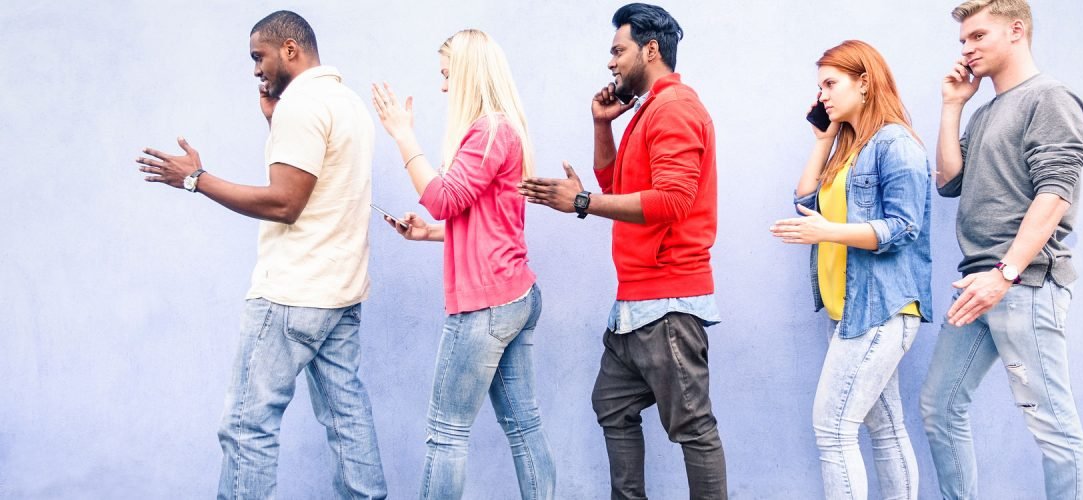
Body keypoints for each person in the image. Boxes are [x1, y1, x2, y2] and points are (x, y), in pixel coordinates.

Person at [136, 10, 387, 499]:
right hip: (341, 294)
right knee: (347, 419)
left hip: (292, 294)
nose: (255, 69)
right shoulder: (348, 104)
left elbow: (285, 203)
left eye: (260, 56)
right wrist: (276, 123)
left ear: (290, 49)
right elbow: (321, 182)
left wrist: (195, 179)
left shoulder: (303, 106)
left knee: (247, 426)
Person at [518, 3, 726, 498]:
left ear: (650, 50)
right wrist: (602, 125)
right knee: (612, 404)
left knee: (693, 428)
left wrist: (582, 202)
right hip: (635, 305)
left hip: (668, 303)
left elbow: (671, 201)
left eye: (618, 50)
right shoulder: (648, 111)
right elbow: (618, 187)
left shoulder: (675, 109)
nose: (610, 62)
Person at [370, 29, 554, 500]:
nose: (444, 86)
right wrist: (430, 233)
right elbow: (484, 218)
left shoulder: (489, 131)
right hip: (514, 295)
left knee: (446, 433)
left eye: (448, 75)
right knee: (524, 426)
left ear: (469, 73)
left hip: (485, 307)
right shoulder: (502, 130)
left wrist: (403, 136)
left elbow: (443, 199)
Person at [919, 1, 1083, 498]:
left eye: (977, 36)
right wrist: (953, 105)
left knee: (1052, 426)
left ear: (1017, 31)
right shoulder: (986, 112)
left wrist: (1006, 273)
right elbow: (948, 182)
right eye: (963, 41)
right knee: (939, 407)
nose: (966, 50)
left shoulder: (1050, 98)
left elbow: (1055, 194)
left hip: (1023, 282)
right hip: (979, 283)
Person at [770, 40, 932, 500]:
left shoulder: (896, 144)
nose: (821, 95)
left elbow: (904, 227)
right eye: (820, 86)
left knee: (833, 429)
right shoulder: (848, 148)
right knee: (887, 428)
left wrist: (829, 232)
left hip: (880, 310)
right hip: (847, 310)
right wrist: (823, 141)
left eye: (830, 84)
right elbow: (806, 203)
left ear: (864, 82)